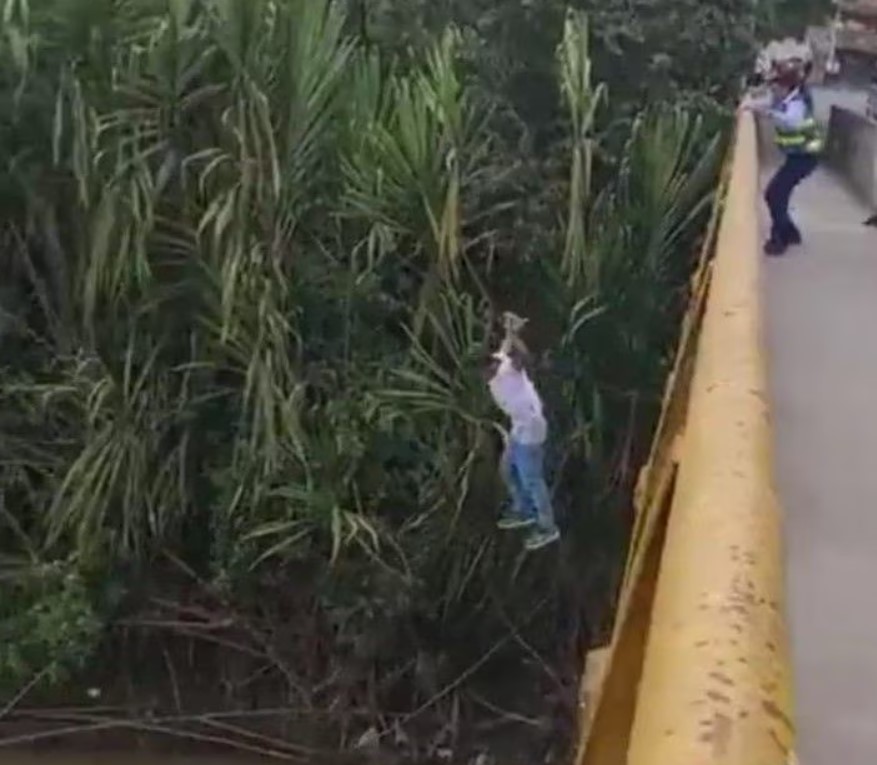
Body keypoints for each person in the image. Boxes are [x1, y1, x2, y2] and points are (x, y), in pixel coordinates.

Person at [485, 312, 559, 551]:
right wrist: (510, 331)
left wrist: (516, 337)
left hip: (532, 427)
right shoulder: (497, 364)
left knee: (531, 479)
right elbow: (505, 347)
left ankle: (547, 527)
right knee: (507, 469)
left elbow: (523, 357)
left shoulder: (507, 369)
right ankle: (523, 509)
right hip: (519, 427)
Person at [741, 59, 823, 256]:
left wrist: (768, 113)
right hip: (798, 157)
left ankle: (779, 238)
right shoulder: (782, 98)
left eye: (776, 84)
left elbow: (791, 122)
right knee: (779, 193)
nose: (773, 88)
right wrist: (750, 105)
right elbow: (765, 103)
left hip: (805, 157)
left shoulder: (797, 103)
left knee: (774, 194)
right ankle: (790, 232)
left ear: (787, 86)